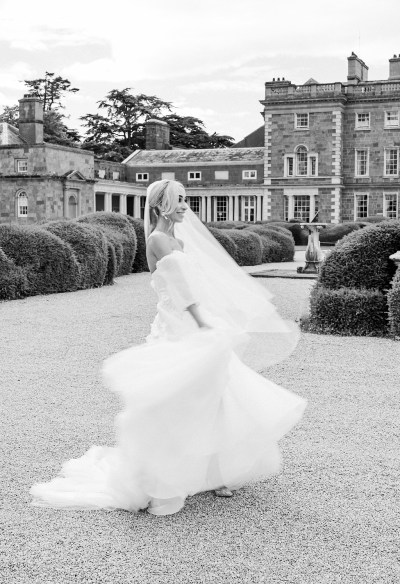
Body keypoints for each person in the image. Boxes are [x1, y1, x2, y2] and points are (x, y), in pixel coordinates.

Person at [30, 179, 306, 516]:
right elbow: (178, 288)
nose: (185, 206)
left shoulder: (177, 239)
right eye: (179, 200)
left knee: (216, 393)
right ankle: (167, 476)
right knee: (180, 400)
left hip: (192, 319)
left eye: (186, 199)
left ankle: (215, 472)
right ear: (161, 206)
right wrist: (203, 323)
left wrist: (215, 314)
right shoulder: (159, 239)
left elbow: (195, 283)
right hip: (177, 325)